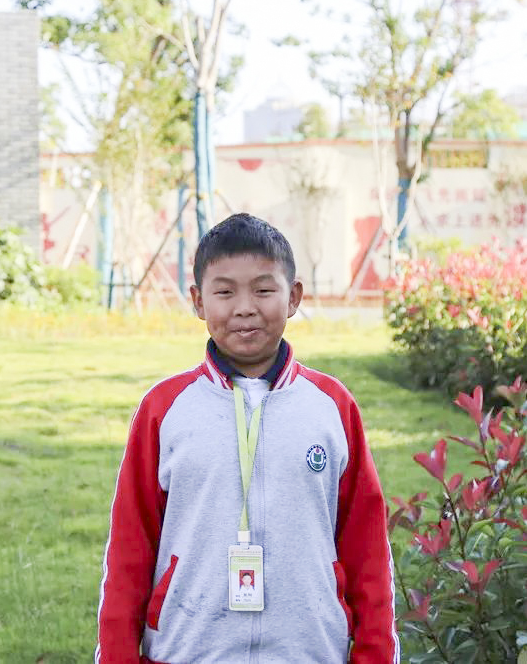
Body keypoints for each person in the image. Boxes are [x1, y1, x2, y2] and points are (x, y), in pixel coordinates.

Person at [95, 213, 399, 663]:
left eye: (263, 290)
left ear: (293, 297)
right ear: (198, 301)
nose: (244, 308)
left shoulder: (331, 406)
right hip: (189, 649)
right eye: (224, 292)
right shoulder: (164, 409)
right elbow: (129, 549)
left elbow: (367, 547)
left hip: (309, 651)